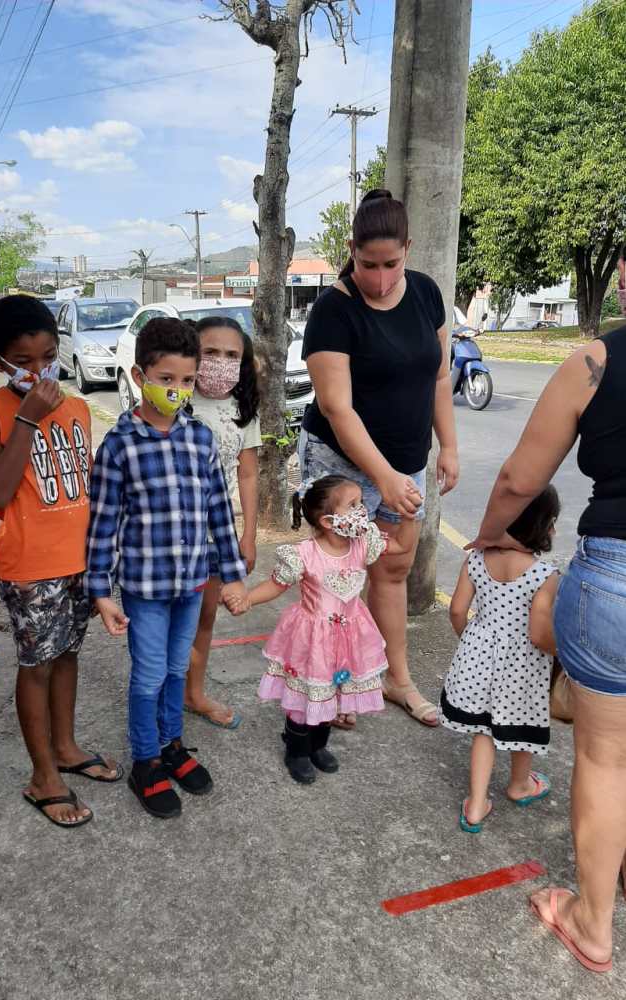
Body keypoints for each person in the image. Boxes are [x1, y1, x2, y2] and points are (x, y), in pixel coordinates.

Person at [469, 249, 626, 974]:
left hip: (616, 577)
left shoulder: (596, 361)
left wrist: (488, 537)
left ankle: (592, 922)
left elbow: (518, 479)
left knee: (605, 756)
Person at [299, 189, 459, 730]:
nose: (382, 279)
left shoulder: (427, 294)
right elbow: (336, 407)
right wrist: (383, 477)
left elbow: (439, 376)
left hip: (405, 464)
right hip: (342, 464)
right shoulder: (333, 310)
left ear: (407, 249)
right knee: (337, 577)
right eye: (370, 265)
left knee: (392, 570)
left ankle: (396, 678)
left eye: (393, 264)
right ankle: (330, 680)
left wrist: (448, 445)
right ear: (352, 251)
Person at [85, 317, 247, 820]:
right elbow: (103, 523)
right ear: (140, 376)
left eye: (187, 380)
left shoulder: (200, 439)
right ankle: (146, 760)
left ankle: (172, 744)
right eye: (166, 379)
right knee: (150, 673)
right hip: (146, 588)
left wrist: (233, 574)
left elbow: (219, 510)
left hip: (192, 582)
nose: (177, 390)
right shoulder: (119, 445)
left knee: (178, 668)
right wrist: (101, 591)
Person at [0, 295, 122, 831]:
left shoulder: (78, 408)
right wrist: (28, 419)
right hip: (31, 566)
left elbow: (88, 487)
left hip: (79, 560)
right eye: (24, 361)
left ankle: (65, 747)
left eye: (49, 357)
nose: (39, 371)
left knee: (67, 656)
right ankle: (42, 776)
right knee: (36, 666)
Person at [225, 475, 413, 783]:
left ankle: (318, 745)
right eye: (353, 505)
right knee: (306, 696)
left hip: (349, 638)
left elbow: (403, 545)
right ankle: (297, 750)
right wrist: (247, 598)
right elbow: (275, 585)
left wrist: (409, 515)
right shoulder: (304, 554)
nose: (362, 510)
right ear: (328, 521)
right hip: (312, 639)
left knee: (333, 693)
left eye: (361, 503)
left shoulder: (363, 544)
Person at [438, 487, 561, 833]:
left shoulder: (476, 559)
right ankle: (520, 785)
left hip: (478, 652)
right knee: (524, 720)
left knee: (483, 728)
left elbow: (457, 610)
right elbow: (539, 633)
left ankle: (476, 804)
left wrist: (472, 642)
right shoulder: (544, 574)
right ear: (543, 525)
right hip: (524, 664)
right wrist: (560, 654)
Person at [185, 316, 261, 729]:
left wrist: (247, 536)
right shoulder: (176, 399)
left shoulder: (242, 409)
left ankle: (193, 693)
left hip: (218, 533)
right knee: (171, 618)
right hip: (173, 534)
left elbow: (247, 474)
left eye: (231, 355)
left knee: (205, 617)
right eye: (210, 352)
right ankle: (160, 691)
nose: (220, 362)